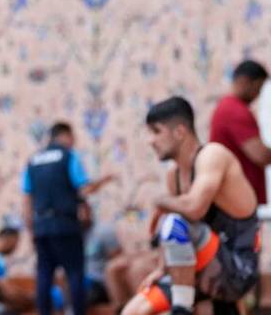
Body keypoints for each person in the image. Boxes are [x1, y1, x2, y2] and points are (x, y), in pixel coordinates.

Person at [121, 97, 261, 315]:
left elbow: (195, 208)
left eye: (156, 131)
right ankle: (188, 303)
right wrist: (161, 268)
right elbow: (176, 234)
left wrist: (160, 201)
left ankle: (182, 309)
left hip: (237, 270)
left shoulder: (212, 155)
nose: (150, 141)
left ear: (180, 132)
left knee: (174, 222)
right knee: (133, 311)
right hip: (198, 271)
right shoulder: (173, 175)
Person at [22, 122, 116, 315]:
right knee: (74, 273)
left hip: (41, 227)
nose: (73, 142)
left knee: (44, 275)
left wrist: (31, 229)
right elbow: (84, 189)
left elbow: (26, 200)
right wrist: (103, 181)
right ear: (64, 135)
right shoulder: (68, 156)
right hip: (65, 225)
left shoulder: (32, 161)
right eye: (72, 138)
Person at [209, 59, 271, 204]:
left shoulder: (226, 107)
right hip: (238, 202)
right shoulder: (234, 110)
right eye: (258, 88)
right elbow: (261, 155)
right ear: (244, 81)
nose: (257, 95)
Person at [83, 218, 122, 307]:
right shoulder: (72, 234)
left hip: (98, 280)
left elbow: (116, 255)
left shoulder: (103, 231)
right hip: (82, 278)